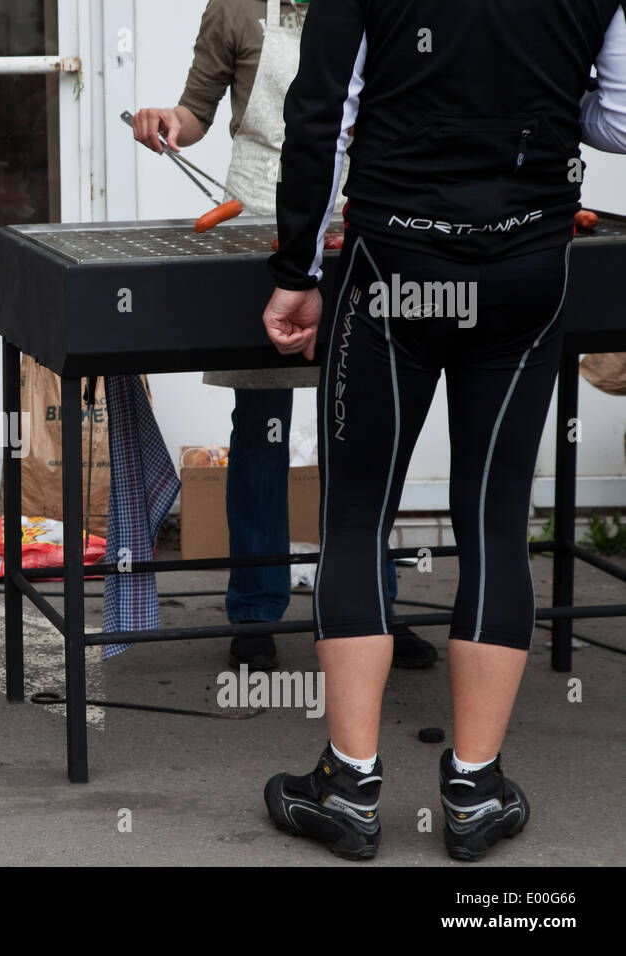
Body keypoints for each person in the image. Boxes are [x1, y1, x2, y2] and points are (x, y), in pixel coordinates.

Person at [260, 0, 626, 860]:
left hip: (396, 268)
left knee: (356, 516)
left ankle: (349, 789)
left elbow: (319, 113)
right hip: (526, 263)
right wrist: (526, 97)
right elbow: (617, 117)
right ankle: (474, 788)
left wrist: (295, 271)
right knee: (497, 524)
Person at [132, 0, 437, 672]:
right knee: (261, 420)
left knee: (364, 425)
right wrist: (165, 124)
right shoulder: (234, 9)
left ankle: (368, 608)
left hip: (361, 204)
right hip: (259, 211)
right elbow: (195, 113)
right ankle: (255, 607)